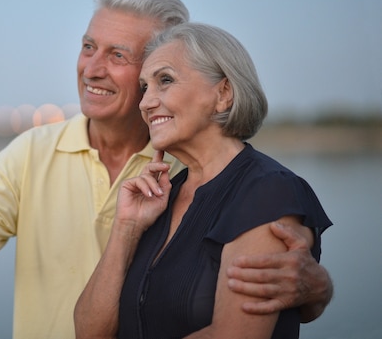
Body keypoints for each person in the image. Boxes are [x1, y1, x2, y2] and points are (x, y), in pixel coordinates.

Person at [0, 0, 333, 339]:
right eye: (88, 46)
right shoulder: (32, 152)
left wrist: (314, 292)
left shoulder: (205, 171)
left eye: (118, 55)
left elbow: (251, 307)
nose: (92, 68)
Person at [74, 22, 333, 339]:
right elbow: (89, 332)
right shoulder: (162, 195)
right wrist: (125, 228)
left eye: (164, 81)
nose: (145, 103)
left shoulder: (268, 192)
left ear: (223, 93)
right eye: (144, 87)